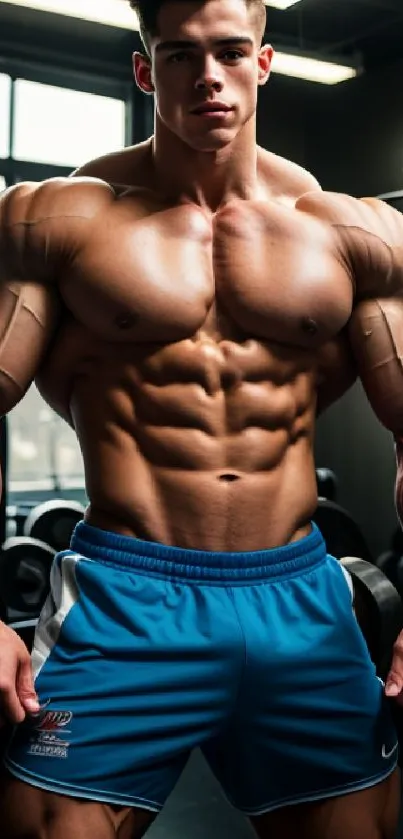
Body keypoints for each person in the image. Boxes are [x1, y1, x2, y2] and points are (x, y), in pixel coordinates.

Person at [0, 0, 403, 836]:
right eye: (180, 56)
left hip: (301, 598)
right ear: (146, 70)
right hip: (125, 597)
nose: (208, 77)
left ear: (263, 61)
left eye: (228, 52)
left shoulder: (351, 233)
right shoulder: (56, 221)